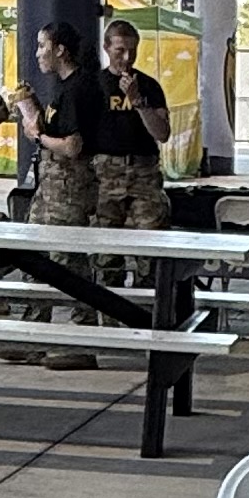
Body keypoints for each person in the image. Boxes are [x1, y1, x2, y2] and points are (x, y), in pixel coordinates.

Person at [10, 20, 107, 371]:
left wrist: (37, 136)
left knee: (71, 264)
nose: (38, 54)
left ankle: (82, 340)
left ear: (60, 50)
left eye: (41, 46)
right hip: (49, 189)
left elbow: (72, 145)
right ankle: (33, 335)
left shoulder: (79, 88)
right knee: (34, 259)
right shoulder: (62, 89)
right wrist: (34, 111)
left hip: (70, 190)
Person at [91, 18, 174, 295]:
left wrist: (137, 100)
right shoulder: (95, 85)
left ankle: (147, 311)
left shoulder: (149, 86)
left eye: (132, 51)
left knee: (149, 250)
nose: (126, 58)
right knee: (105, 253)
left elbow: (162, 133)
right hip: (106, 174)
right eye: (119, 51)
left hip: (143, 173)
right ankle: (109, 315)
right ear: (106, 48)